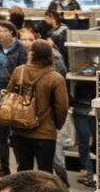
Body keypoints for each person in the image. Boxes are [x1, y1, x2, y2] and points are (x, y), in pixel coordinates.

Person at [5, 41, 68, 174]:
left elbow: (9, 95)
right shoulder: (55, 78)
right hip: (45, 132)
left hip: (19, 129)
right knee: (45, 172)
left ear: (32, 54)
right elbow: (62, 107)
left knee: (23, 170)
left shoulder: (19, 72)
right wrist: (55, 125)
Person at [0, 21, 26, 178]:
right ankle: (4, 166)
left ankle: (21, 168)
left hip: (14, 98)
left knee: (16, 135)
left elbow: (23, 74)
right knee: (0, 134)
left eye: (4, 31)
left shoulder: (21, 50)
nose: (1, 34)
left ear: (12, 32)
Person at [71, 77, 97, 188]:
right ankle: (90, 173)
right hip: (88, 107)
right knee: (89, 141)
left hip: (80, 107)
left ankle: (89, 173)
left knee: (85, 141)